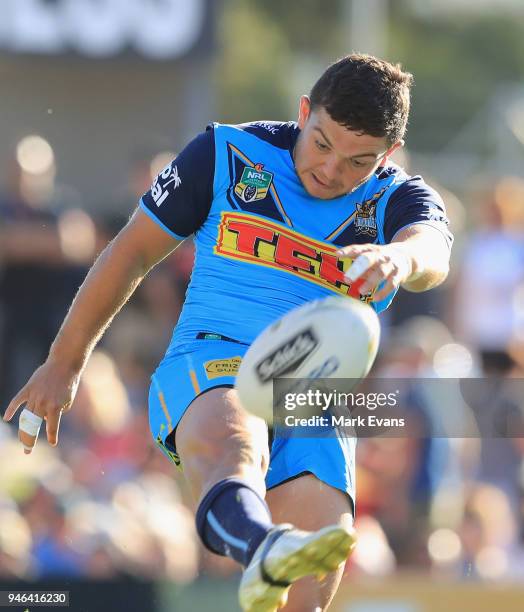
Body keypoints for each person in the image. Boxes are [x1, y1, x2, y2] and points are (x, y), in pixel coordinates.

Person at [3, 54, 452, 611]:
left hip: (311, 402)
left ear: (387, 156)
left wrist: (399, 259)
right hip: (211, 363)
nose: (332, 170)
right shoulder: (226, 153)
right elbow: (131, 253)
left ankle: (268, 553)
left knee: (305, 594)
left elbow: (431, 249)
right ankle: (263, 545)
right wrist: (64, 364)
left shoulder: (398, 199)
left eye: (357, 160)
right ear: (305, 111)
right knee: (236, 443)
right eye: (322, 143)